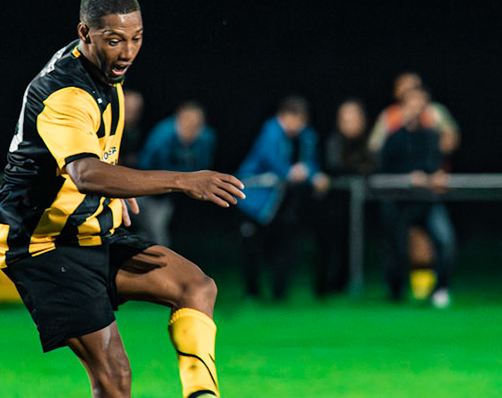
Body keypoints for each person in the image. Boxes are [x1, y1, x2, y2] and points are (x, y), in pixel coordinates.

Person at [0, 0, 273, 398]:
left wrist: (120, 194)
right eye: (114, 39)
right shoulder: (64, 92)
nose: (127, 50)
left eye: (137, 39)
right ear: (84, 35)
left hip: (90, 232)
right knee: (113, 372)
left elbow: (99, 166)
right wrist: (180, 180)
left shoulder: (105, 81)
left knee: (195, 285)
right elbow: (86, 172)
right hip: (42, 245)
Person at [369, 72, 460, 298]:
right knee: (399, 248)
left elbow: (441, 156)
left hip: (427, 198)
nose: (417, 107)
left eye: (421, 102)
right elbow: (379, 161)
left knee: (444, 241)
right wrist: (409, 177)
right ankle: (397, 292)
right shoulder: (391, 129)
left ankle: (439, 290)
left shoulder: (433, 130)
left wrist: (438, 175)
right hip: (400, 200)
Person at [234, 96, 324, 301]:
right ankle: (252, 293)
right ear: (283, 116)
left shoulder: (305, 135)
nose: (299, 125)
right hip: (253, 203)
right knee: (252, 248)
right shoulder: (270, 132)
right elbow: (273, 160)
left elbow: (310, 161)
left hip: (280, 204)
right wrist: (291, 172)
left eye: (302, 120)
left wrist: (311, 173)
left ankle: (279, 294)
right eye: (296, 119)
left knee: (285, 247)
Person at [134, 101, 215, 246]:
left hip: (170, 194)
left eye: (196, 125)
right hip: (145, 190)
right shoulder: (163, 134)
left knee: (152, 230)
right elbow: (147, 165)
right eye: (187, 123)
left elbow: (203, 168)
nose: (191, 129)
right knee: (155, 232)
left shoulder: (206, 137)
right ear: (179, 119)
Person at [315, 98, 372, 296]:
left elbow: (373, 167)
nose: (350, 122)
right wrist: (359, 169)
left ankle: (344, 285)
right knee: (329, 246)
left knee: (351, 245)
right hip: (331, 205)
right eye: (345, 118)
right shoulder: (333, 141)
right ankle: (323, 288)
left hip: (356, 205)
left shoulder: (367, 143)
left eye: (354, 117)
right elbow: (335, 166)